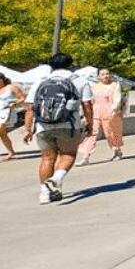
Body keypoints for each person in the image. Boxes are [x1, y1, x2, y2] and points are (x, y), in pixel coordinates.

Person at [22, 53, 93, 204]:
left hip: (43, 125)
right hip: (69, 125)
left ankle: (44, 194)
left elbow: (29, 107)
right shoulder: (80, 81)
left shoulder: (41, 82)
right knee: (68, 154)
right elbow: (87, 104)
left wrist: (27, 129)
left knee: (47, 158)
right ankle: (56, 179)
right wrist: (90, 124)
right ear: (71, 65)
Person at [78, 68, 124, 165]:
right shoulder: (93, 87)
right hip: (95, 112)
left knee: (110, 133)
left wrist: (114, 109)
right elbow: (88, 101)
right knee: (92, 133)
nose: (105, 76)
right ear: (98, 76)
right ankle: (86, 156)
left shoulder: (114, 86)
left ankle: (117, 150)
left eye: (107, 74)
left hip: (109, 113)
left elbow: (117, 99)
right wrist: (85, 115)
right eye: (103, 74)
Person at [0, 73, 25, 161]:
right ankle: (11, 152)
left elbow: (22, 98)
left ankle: (11, 152)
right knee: (2, 134)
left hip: (9, 113)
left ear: (3, 79)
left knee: (0, 129)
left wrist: (15, 103)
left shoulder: (11, 88)